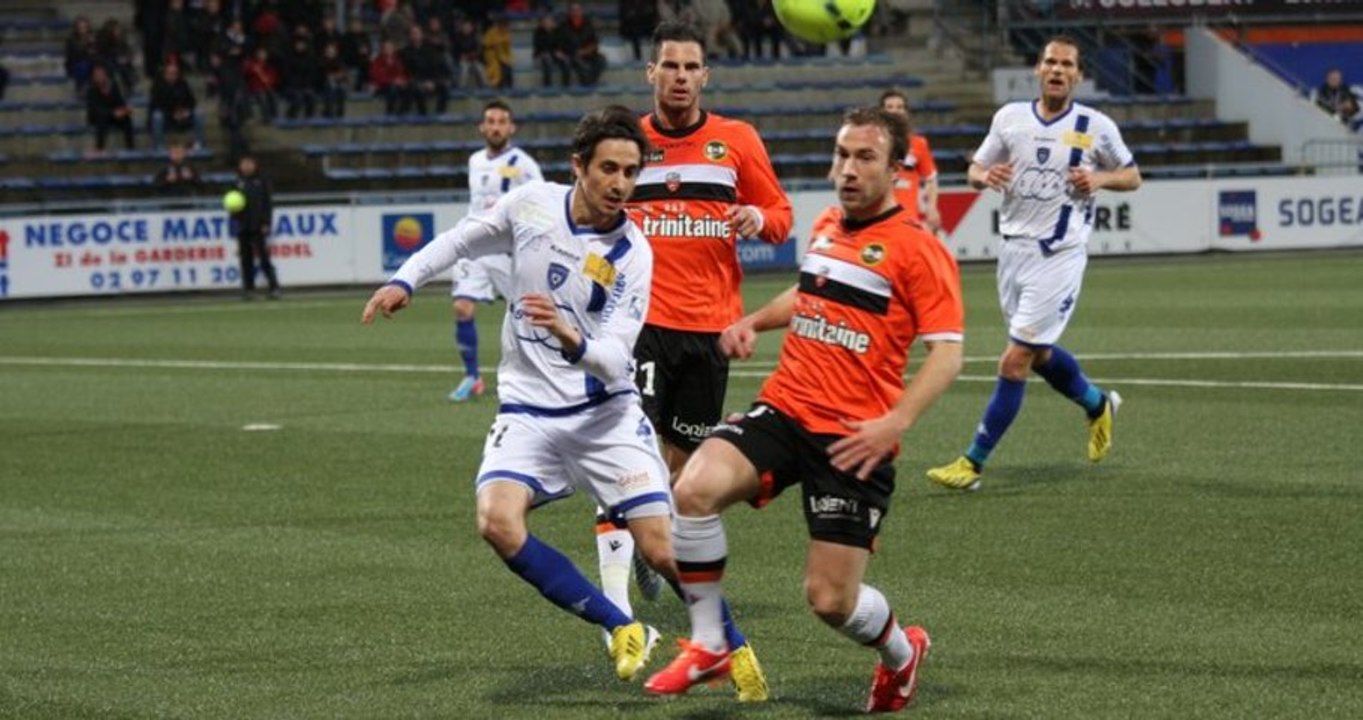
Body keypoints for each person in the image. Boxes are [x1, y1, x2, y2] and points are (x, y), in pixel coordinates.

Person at [644, 106, 964, 713]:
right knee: (692, 489)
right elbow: (811, 290)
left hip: (853, 439)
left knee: (830, 601)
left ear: (897, 169)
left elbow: (947, 354)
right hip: (787, 408)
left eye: (864, 157)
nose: (847, 168)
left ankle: (902, 653)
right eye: (842, 154)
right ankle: (709, 643)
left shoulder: (920, 252)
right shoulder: (826, 224)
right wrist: (754, 321)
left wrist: (894, 424)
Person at [360, 106, 669, 684]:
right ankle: (620, 623)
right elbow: (460, 238)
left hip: (600, 404)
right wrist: (405, 279)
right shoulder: (529, 199)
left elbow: (613, 352)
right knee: (497, 522)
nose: (620, 184)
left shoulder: (633, 251)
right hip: (530, 401)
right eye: (609, 169)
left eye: (631, 172)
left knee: (662, 540)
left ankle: (713, 631)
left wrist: (571, 337)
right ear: (580, 167)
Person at [594, 19, 793, 704]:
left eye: (690, 67)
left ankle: (654, 554)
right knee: (629, 461)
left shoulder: (735, 141)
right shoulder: (630, 148)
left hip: (710, 333)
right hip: (640, 328)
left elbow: (780, 212)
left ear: (705, 76)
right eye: (668, 66)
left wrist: (755, 221)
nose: (679, 76)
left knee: (677, 476)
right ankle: (617, 617)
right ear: (650, 73)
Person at [926, 36, 1141, 492]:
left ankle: (972, 463)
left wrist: (1100, 177)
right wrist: (986, 175)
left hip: (1059, 256)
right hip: (1013, 253)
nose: (1058, 70)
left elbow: (1132, 175)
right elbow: (975, 169)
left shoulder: (1095, 125)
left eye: (1067, 64)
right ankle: (1097, 403)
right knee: (1038, 354)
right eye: (1050, 62)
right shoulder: (1010, 118)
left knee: (1015, 359)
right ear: (1038, 69)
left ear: (1078, 75)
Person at [447, 100, 543, 402]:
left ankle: (539, 375)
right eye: (491, 121)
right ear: (482, 126)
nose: (496, 126)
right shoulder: (475, 160)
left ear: (511, 127)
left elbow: (541, 201)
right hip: (474, 248)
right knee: (462, 307)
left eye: (502, 121)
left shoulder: (523, 163)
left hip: (507, 251)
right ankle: (472, 376)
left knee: (527, 315)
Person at [879, 89, 941, 231]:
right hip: (879, 217)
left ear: (906, 112)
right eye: (890, 107)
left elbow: (931, 179)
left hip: (909, 220)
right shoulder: (872, 143)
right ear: (882, 112)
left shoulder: (919, 144)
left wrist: (932, 207)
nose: (895, 111)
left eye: (900, 107)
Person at [230, 156, 281, 300]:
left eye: (249, 163)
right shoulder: (236, 182)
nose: (246, 166)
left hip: (258, 225)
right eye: (244, 164)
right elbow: (231, 205)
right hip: (243, 225)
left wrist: (266, 223)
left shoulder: (262, 181)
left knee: (264, 258)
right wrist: (235, 222)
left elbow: (267, 204)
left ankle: (274, 287)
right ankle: (249, 289)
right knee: (246, 259)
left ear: (254, 165)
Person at [149, 62, 206, 149]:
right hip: (166, 117)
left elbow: (192, 101)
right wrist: (172, 113)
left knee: (198, 113)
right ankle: (159, 145)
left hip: (183, 116)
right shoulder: (158, 86)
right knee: (157, 116)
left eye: (175, 73)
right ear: (165, 74)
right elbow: (156, 105)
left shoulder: (183, 84)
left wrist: (186, 111)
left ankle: (199, 144)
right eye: (170, 73)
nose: (173, 76)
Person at [86, 65, 135, 152]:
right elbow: (95, 110)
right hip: (98, 117)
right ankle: (99, 148)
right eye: (97, 75)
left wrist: (125, 110)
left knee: (127, 119)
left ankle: (130, 148)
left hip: (113, 116)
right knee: (101, 119)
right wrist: (112, 113)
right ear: (93, 77)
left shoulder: (113, 87)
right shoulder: (91, 90)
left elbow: (120, 102)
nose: (99, 76)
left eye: (101, 74)